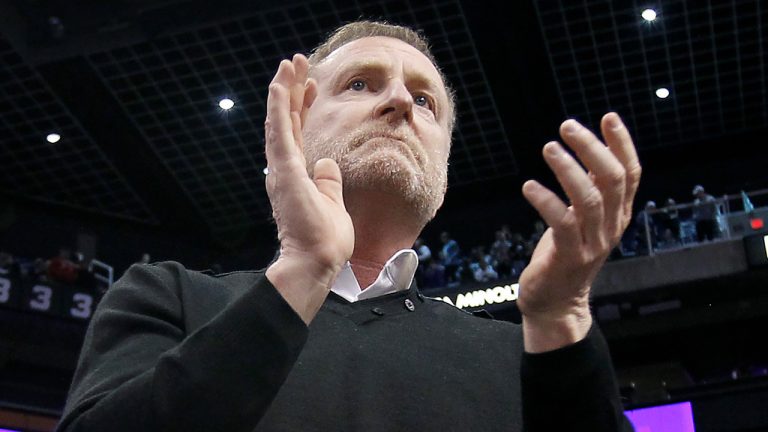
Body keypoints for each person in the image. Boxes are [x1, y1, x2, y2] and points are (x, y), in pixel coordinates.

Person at [58, 21, 641, 431]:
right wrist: (304, 270)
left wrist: (563, 319)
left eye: (426, 100)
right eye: (361, 84)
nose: (400, 104)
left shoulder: (529, 358)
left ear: (443, 163)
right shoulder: (169, 296)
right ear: (294, 124)